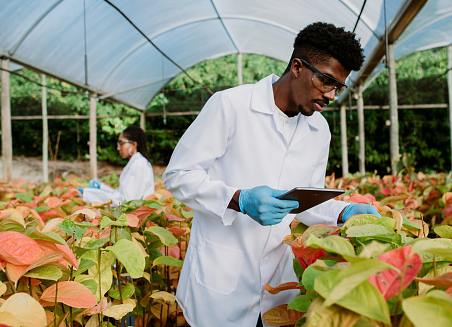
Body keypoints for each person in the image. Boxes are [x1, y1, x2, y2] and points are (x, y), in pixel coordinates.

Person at [162, 22, 381, 327]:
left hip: (278, 286)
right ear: (297, 67)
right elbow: (178, 175)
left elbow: (304, 200)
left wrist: (345, 212)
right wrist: (240, 200)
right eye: (326, 81)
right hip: (221, 280)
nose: (331, 95)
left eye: (338, 87)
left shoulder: (319, 130)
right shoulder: (231, 106)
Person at [78, 125, 155, 207]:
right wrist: (102, 187)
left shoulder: (138, 164)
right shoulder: (136, 162)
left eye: (121, 143)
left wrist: (91, 195)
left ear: (133, 144)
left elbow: (125, 200)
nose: (118, 148)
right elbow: (121, 193)